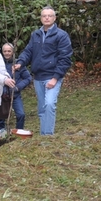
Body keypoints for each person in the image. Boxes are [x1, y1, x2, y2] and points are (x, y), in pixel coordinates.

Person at [16, 7, 72, 136]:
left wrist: (55, 78)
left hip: (52, 76)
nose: (47, 18)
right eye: (44, 16)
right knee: (42, 108)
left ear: (54, 18)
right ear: (41, 18)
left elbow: (65, 59)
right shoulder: (35, 34)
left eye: (49, 16)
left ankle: (47, 135)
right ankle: (43, 134)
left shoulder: (61, 35)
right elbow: (28, 51)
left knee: (49, 104)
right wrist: (20, 62)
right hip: (38, 77)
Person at [0, 43, 32, 133]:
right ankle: (1, 136)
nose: (7, 53)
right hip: (1, 95)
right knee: (1, 117)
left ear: (13, 52)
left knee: (21, 115)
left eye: (9, 51)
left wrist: (18, 87)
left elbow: (28, 78)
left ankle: (18, 132)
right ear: (2, 52)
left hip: (15, 94)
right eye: (5, 51)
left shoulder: (18, 64)